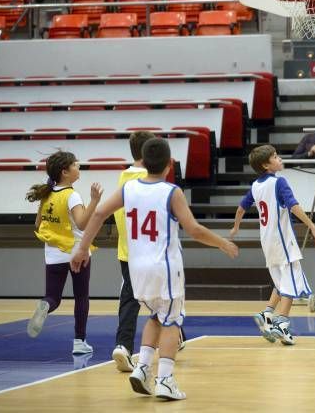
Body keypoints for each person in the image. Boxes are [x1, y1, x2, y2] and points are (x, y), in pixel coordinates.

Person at [71, 138, 239, 401]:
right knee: (172, 320)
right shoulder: (172, 192)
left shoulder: (128, 188)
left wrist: (82, 248)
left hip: (136, 267)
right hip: (164, 266)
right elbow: (193, 229)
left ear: (142, 162)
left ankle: (142, 367)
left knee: (155, 316)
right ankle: (165, 380)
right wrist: (222, 244)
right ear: (170, 164)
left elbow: (98, 214)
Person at [230, 144, 315, 345]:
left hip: (267, 241)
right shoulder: (279, 182)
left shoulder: (255, 186)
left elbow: (240, 208)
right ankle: (282, 324)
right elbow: (294, 206)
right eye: (274, 156)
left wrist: (236, 227)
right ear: (266, 165)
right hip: (282, 241)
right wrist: (312, 226)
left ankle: (267, 314)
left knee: (281, 281)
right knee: (291, 281)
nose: (279, 158)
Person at [111, 131, 187, 373]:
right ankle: (155, 364)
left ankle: (125, 348)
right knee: (165, 304)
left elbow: (106, 214)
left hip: (127, 250)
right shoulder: (152, 181)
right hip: (156, 253)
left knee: (132, 300)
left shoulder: (123, 178)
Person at [25, 150, 103, 355]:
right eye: (75, 165)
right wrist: (94, 200)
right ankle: (79, 342)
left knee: (53, 297)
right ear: (65, 172)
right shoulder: (72, 195)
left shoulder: (46, 194)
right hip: (76, 251)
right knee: (81, 297)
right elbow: (82, 223)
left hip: (52, 252)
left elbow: (37, 223)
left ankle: (45, 306)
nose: (79, 167)